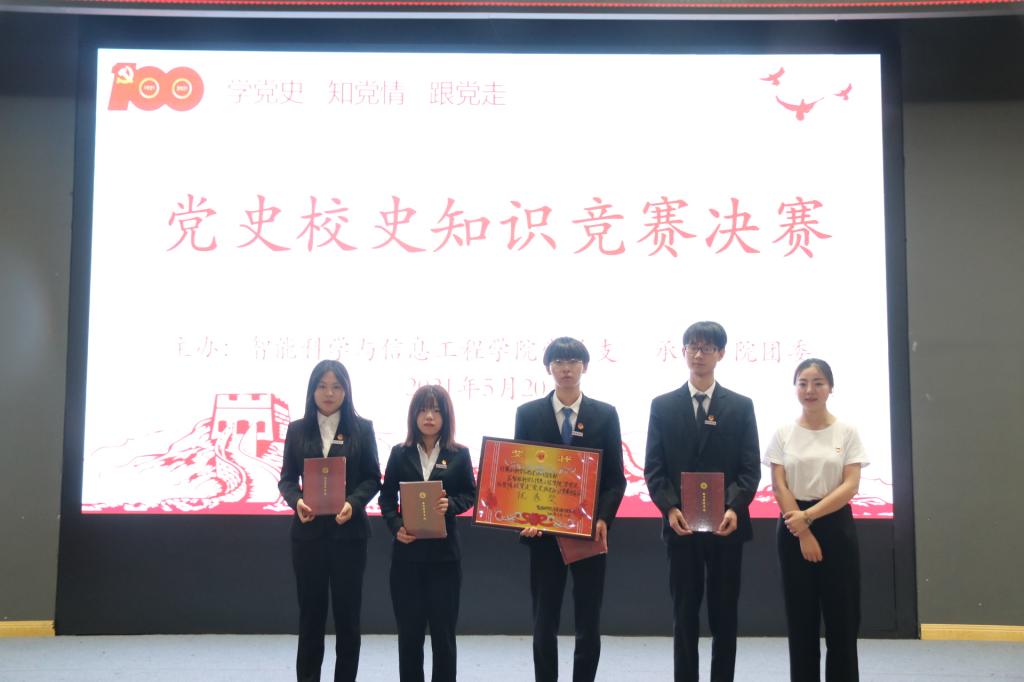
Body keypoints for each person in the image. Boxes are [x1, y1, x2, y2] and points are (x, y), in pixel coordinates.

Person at [644, 320, 761, 682]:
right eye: (693, 347)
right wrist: (670, 508)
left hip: (727, 527)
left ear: (720, 354)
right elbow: (654, 468)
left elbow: (750, 469)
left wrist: (733, 508)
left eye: (707, 348)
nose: (699, 354)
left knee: (725, 616)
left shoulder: (740, 406)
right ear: (683, 352)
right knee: (684, 615)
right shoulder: (662, 406)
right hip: (681, 527)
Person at [513, 336, 627, 682]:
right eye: (559, 362)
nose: (566, 369)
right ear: (549, 368)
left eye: (573, 361)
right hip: (543, 534)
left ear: (585, 367)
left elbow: (615, 479)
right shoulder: (528, 414)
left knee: (588, 621)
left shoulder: (605, 414)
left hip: (588, 532)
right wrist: (523, 517)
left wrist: (604, 518)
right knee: (543, 620)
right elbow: (519, 476)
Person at [764, 358, 869, 682]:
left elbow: (850, 485)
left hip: (835, 527)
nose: (810, 390)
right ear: (795, 388)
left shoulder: (847, 432)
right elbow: (779, 485)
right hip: (793, 528)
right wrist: (803, 531)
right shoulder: (783, 433)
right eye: (803, 383)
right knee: (801, 621)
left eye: (818, 383)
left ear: (830, 388)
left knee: (842, 620)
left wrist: (808, 517)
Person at [278, 359, 382, 682]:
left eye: (336, 386)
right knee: (310, 618)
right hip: (308, 537)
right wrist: (297, 501)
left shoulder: (362, 428)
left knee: (348, 619)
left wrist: (353, 503)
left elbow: (373, 478)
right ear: (312, 391)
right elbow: (286, 479)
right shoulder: (297, 429)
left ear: (346, 391)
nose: (329, 393)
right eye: (322, 386)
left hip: (349, 536)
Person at [379, 385, 477, 682]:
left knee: (443, 637)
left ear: (446, 416)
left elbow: (470, 494)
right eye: (423, 410)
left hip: (444, 559)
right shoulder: (399, 453)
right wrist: (396, 526)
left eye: (436, 410)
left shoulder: (459, 454)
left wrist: (451, 505)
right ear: (414, 416)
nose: (429, 417)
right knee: (409, 637)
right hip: (407, 558)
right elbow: (386, 499)